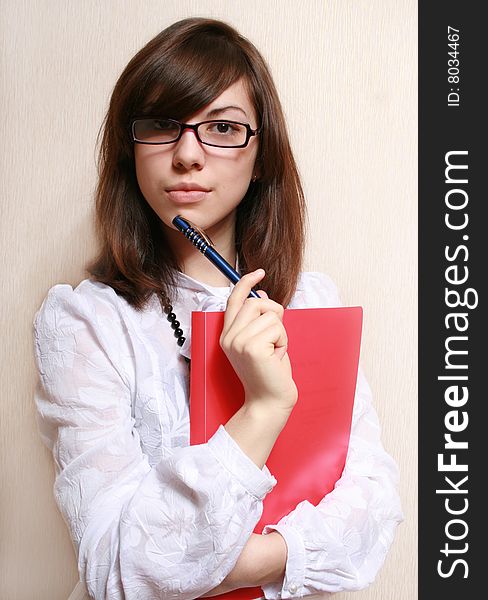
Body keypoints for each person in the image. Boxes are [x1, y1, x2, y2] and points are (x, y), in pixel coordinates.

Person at [33, 17, 403, 600]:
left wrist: (215, 563)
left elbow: (376, 508)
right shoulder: (89, 323)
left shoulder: (311, 301)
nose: (187, 154)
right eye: (161, 125)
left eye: (223, 127)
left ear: (262, 157)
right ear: (129, 150)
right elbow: (115, 576)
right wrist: (265, 407)